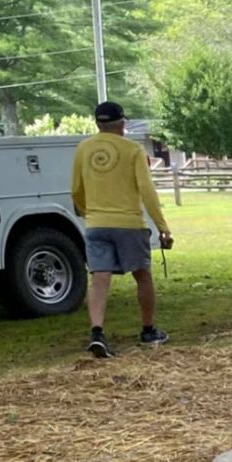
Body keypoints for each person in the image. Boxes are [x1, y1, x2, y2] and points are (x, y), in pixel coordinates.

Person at [71, 100, 171, 358]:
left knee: (99, 278)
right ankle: (148, 330)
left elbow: (76, 190)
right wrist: (162, 226)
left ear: (97, 123)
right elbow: (147, 190)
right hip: (129, 224)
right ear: (122, 123)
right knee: (142, 275)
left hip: (96, 224)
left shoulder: (83, 149)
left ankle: (97, 332)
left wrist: (88, 212)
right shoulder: (133, 150)